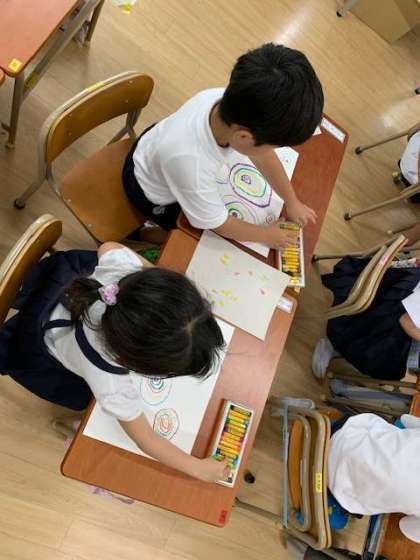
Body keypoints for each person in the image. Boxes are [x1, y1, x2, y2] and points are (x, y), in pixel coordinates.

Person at [0, 242, 229, 483]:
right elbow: (146, 439)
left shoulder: (123, 276)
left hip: (53, 294)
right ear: (128, 361)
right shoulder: (110, 383)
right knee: (81, 399)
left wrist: (153, 287)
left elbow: (109, 246)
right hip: (36, 345)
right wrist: (197, 468)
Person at [122, 43, 324, 248]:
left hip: (157, 146)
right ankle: (142, 235)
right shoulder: (192, 165)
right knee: (187, 239)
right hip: (148, 191)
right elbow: (217, 223)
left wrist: (291, 201)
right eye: (274, 146)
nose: (271, 151)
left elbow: (263, 156)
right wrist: (265, 235)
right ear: (244, 137)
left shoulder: (235, 100)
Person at [312, 254, 420, 381]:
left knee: (393, 362)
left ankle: (345, 349)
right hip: (395, 302)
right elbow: (406, 321)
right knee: (386, 356)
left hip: (406, 311)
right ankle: (335, 345)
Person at [328, 412, 420, 543]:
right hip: (337, 487)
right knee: (341, 521)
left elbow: (405, 419)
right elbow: (404, 526)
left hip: (343, 434)